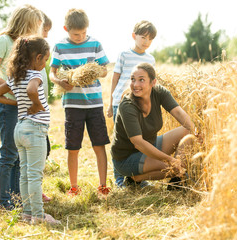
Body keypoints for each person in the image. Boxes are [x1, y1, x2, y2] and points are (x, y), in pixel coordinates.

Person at [0, 36, 61, 225]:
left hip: (19, 129)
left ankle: (27, 213)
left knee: (25, 174)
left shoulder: (14, 77)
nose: (45, 63)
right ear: (38, 58)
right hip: (35, 129)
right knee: (35, 175)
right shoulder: (35, 75)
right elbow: (31, 90)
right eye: (45, 59)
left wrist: (15, 102)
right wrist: (37, 104)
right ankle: (38, 215)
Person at [0, 4, 43, 211]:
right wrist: (12, 91)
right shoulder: (3, 41)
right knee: (9, 153)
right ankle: (2, 202)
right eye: (35, 25)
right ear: (25, 22)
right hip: (8, 105)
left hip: (22, 106)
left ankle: (17, 199)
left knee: (19, 155)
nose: (37, 30)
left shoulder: (27, 45)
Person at [49, 8, 111, 196]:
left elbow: (104, 70)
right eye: (76, 34)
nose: (80, 36)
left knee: (99, 144)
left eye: (83, 32)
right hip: (72, 105)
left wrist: (93, 71)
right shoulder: (60, 47)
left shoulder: (95, 44)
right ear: (66, 28)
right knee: (73, 146)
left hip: (94, 103)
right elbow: (52, 73)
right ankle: (74, 186)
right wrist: (60, 81)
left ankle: (102, 185)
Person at [111, 63, 196, 187]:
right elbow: (138, 143)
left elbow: (178, 112)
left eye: (141, 80)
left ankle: (177, 180)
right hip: (127, 158)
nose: (135, 85)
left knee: (187, 132)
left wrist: (196, 131)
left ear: (153, 82)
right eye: (133, 79)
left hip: (150, 145)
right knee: (174, 166)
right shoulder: (127, 105)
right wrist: (170, 160)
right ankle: (134, 179)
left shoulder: (159, 92)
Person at [106, 20, 157, 188]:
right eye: (143, 37)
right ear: (134, 36)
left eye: (150, 39)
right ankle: (119, 179)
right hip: (121, 102)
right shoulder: (124, 55)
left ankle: (137, 178)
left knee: (139, 141)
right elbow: (115, 77)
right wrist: (111, 102)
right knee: (121, 142)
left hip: (139, 104)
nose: (146, 42)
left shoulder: (150, 59)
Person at [40, 11, 52, 203]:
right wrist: (37, 105)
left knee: (45, 149)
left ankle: (35, 188)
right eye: (45, 30)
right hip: (35, 118)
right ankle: (32, 192)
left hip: (40, 119)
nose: (47, 35)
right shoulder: (33, 57)